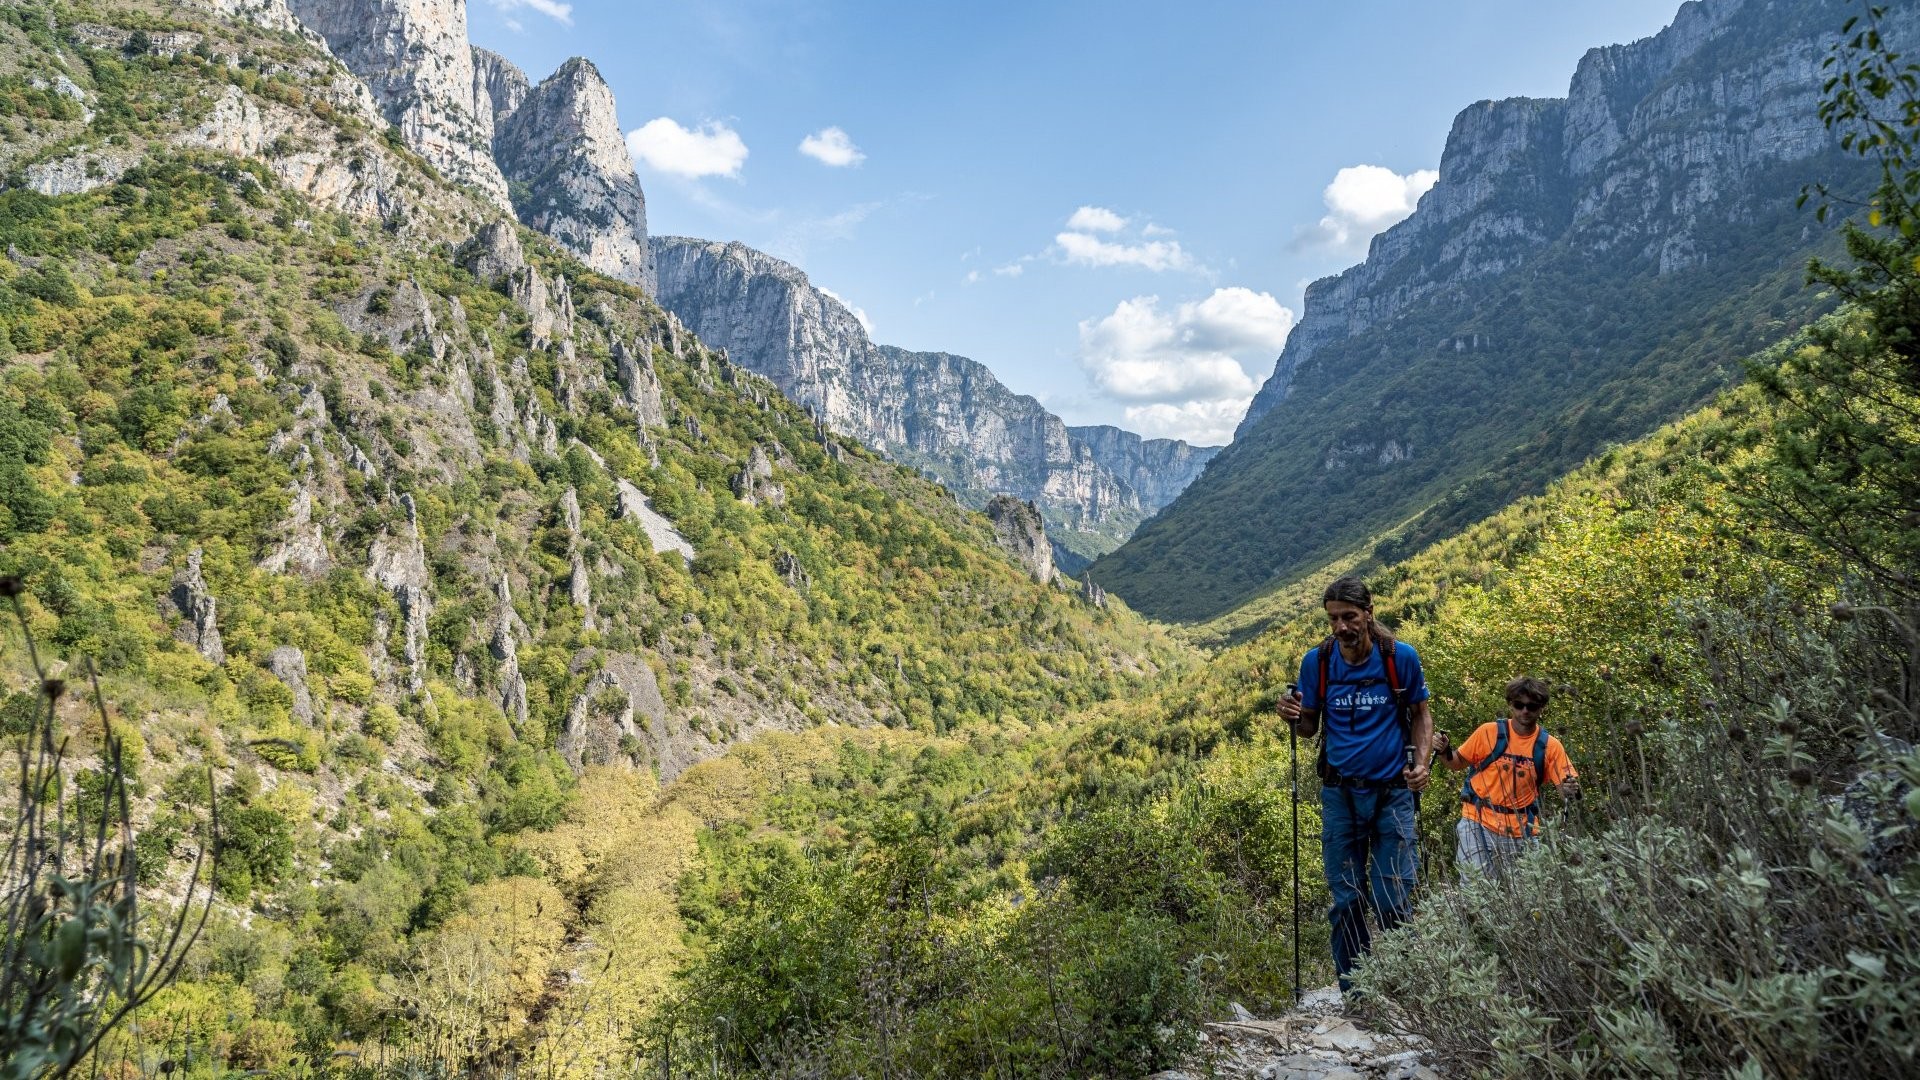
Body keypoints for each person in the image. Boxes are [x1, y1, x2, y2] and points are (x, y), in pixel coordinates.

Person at [1278, 576, 1434, 999]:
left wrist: (1422, 763)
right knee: (1346, 899)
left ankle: (1405, 996)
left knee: (1391, 897)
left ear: (1368, 613)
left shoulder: (1399, 658)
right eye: (1333, 619)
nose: (1341, 627)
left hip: (1392, 794)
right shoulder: (1318, 662)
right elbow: (1309, 727)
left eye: (1349, 617)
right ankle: (1358, 995)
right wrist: (1291, 715)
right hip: (1339, 794)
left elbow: (1420, 714)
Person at [1432, 676, 1580, 882]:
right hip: (1477, 820)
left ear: (1541, 708)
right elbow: (1455, 763)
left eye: (1532, 706)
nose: (1525, 711)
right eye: (1519, 705)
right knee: (1477, 889)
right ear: (1511, 704)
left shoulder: (1550, 746)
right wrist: (1443, 750)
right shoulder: (1488, 732)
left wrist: (1570, 788)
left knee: (1524, 894)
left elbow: (1565, 789)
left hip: (1522, 828)